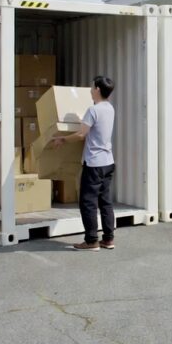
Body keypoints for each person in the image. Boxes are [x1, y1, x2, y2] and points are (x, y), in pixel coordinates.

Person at [50, 76, 116, 251]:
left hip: (94, 164)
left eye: (92, 87)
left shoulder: (93, 110)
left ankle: (91, 241)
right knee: (105, 202)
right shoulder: (109, 108)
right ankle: (108, 239)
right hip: (108, 162)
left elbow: (81, 134)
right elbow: (95, 128)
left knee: (88, 202)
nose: (90, 90)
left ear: (98, 90)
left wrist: (62, 139)